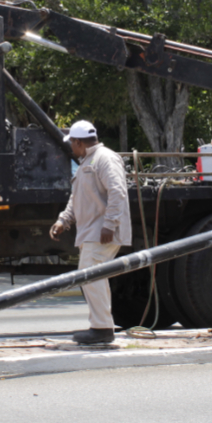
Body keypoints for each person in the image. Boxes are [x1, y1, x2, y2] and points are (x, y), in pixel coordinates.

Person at [49, 120, 131, 345]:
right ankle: (102, 326)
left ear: (78, 142)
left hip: (101, 231)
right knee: (93, 277)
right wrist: (63, 220)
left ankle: (102, 328)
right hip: (93, 231)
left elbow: (117, 191)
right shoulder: (87, 161)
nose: (71, 148)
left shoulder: (105, 158)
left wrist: (109, 225)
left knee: (90, 275)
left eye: (72, 144)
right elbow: (76, 198)